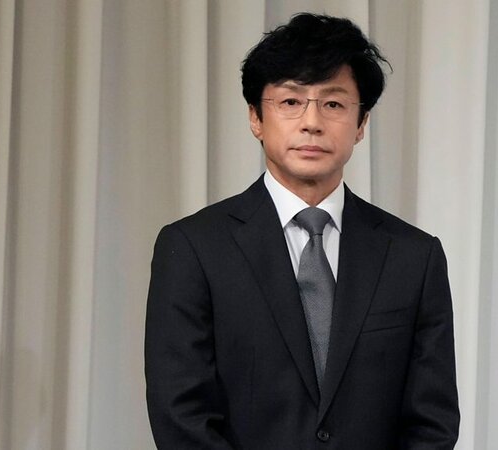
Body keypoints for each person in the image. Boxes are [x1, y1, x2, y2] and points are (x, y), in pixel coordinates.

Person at [145, 13, 459, 449]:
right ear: (256, 117)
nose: (312, 122)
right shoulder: (193, 248)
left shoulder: (414, 256)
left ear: (361, 124)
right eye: (291, 102)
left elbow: (432, 422)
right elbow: (181, 414)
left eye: (333, 104)